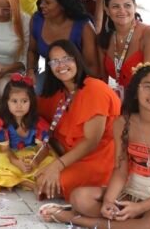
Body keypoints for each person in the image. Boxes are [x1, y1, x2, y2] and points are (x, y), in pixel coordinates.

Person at [40, 63, 150, 228]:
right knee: (79, 198)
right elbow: (120, 170)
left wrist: (140, 207)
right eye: (148, 86)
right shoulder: (123, 123)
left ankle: (76, 219)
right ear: (135, 91)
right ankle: (130, 222)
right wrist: (109, 201)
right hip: (130, 191)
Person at [35, 40, 121, 202]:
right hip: (69, 156)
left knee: (44, 185)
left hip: (98, 160)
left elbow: (91, 142)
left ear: (77, 59)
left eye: (66, 59)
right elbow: (33, 110)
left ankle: (104, 190)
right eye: (54, 61)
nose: (61, 65)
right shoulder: (59, 91)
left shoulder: (94, 89)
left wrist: (57, 165)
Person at [0, 75, 56, 194]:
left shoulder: (38, 123)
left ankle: (14, 181)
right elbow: (5, 150)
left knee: (50, 163)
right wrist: (16, 162)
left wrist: (36, 160)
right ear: (7, 102)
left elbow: (43, 148)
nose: (19, 106)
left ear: (31, 102)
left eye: (24, 101)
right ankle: (27, 183)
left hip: (32, 154)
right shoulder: (1, 124)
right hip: (9, 153)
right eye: (14, 101)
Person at [27, 0, 100, 91]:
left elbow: (92, 67)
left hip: (78, 79)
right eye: (41, 1)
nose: (41, 5)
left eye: (47, 2)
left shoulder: (84, 26)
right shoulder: (37, 20)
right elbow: (32, 50)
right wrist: (30, 71)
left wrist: (80, 90)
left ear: (62, 5)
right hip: (50, 75)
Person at [98, 0, 150, 89]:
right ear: (107, 10)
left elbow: (149, 82)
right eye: (115, 6)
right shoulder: (105, 38)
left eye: (127, 5)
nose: (122, 11)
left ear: (135, 7)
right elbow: (101, 82)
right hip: (124, 99)